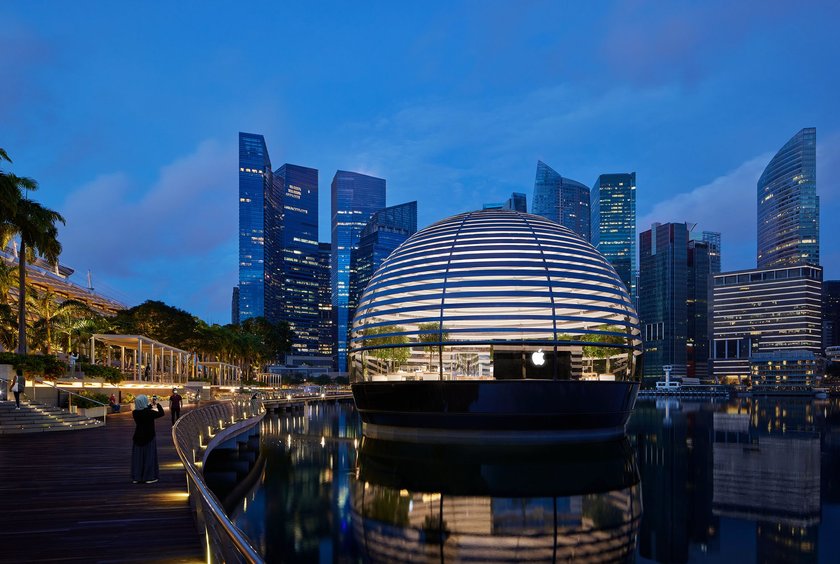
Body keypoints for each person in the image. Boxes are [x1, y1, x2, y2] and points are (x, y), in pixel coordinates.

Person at [131, 394, 164, 484]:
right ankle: (149, 477)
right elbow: (161, 413)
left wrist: (150, 406)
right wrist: (157, 404)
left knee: (138, 458)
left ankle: (137, 477)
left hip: (137, 437)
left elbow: (144, 410)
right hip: (149, 436)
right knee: (149, 457)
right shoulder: (150, 413)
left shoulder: (135, 413)